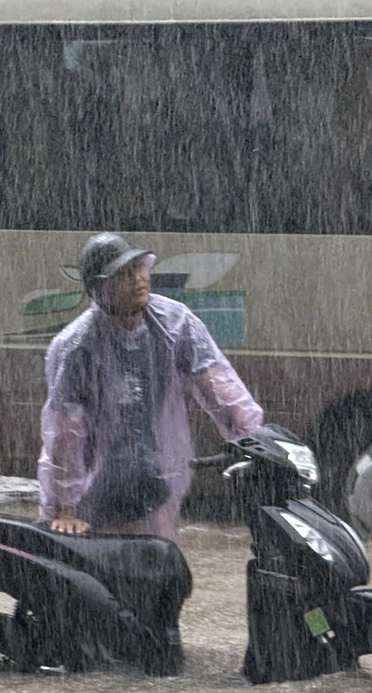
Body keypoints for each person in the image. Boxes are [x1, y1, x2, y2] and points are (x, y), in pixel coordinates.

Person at [38, 232, 265, 542]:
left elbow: (218, 386)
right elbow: (65, 433)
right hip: (99, 479)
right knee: (112, 553)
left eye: (139, 268)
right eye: (123, 274)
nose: (138, 279)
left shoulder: (174, 323)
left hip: (156, 469)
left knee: (162, 552)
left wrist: (253, 440)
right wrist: (65, 507)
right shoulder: (78, 347)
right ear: (99, 289)